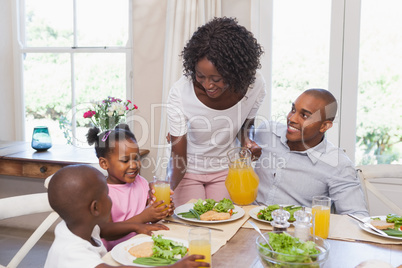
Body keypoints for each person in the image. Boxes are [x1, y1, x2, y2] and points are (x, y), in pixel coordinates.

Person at [167, 17, 266, 206]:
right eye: (200, 76)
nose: (208, 85)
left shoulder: (255, 85)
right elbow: (178, 157)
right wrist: (167, 190)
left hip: (227, 169)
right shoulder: (180, 93)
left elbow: (245, 124)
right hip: (188, 170)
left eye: (217, 78)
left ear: (235, 72)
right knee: (192, 225)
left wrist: (247, 141)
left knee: (225, 223)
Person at [45, 164, 209, 268]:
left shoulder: (75, 226)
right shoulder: (73, 254)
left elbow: (103, 230)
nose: (110, 198)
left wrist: (138, 225)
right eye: (107, 195)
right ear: (95, 208)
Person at [254, 88, 369, 216]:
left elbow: (356, 216)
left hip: (295, 231)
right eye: (293, 110)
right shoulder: (267, 132)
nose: (292, 119)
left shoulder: (337, 164)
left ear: (324, 126)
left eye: (304, 116)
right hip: (249, 224)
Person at [87, 124, 174, 250]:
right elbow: (106, 232)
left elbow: (150, 217)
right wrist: (143, 217)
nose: (134, 165)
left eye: (136, 158)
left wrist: (162, 211)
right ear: (104, 163)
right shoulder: (102, 192)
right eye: (125, 160)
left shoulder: (141, 182)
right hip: (116, 253)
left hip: (144, 245)